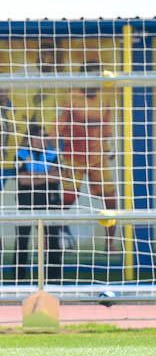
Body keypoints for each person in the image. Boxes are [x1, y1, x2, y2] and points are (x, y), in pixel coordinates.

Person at [58, 62, 117, 251]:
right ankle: (53, 239)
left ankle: (110, 244)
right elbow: (59, 127)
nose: (95, 82)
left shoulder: (104, 99)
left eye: (97, 78)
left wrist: (109, 147)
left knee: (111, 200)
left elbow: (106, 127)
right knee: (67, 200)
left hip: (97, 157)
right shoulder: (71, 98)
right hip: (74, 157)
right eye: (91, 77)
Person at [15, 124, 63, 281]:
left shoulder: (53, 154)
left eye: (46, 136)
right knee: (22, 240)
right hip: (26, 202)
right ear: (31, 138)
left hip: (49, 201)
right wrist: (46, 175)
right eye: (41, 136)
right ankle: (18, 278)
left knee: (53, 239)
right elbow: (23, 180)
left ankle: (55, 279)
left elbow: (58, 176)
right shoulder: (21, 154)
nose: (45, 139)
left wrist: (34, 176)